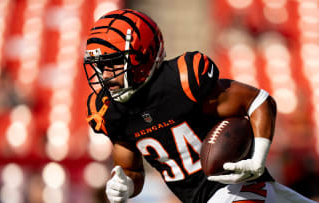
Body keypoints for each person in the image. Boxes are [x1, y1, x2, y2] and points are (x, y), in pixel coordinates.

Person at [83, 9, 316, 203]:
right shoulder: (109, 111)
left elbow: (258, 101)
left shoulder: (181, 82)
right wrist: (123, 185)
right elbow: (131, 169)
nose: (104, 75)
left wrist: (258, 159)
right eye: (98, 66)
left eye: (113, 64)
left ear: (145, 55)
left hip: (238, 188)